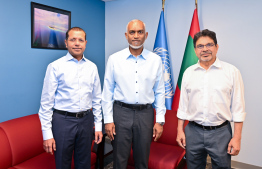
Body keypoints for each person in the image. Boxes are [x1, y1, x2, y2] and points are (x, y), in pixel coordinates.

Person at [176, 29, 246, 169]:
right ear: (195, 50)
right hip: (193, 131)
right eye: (200, 46)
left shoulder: (232, 72)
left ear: (217, 47)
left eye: (209, 45)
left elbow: (238, 109)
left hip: (220, 133)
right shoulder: (188, 73)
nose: (205, 49)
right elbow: (183, 105)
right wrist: (179, 130)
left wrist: (237, 138)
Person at [102, 19, 166, 169]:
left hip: (145, 114)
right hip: (120, 113)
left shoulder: (156, 60)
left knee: (142, 159)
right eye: (132, 32)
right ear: (126, 35)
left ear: (146, 35)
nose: (136, 36)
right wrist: (108, 120)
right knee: (119, 159)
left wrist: (160, 120)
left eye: (140, 32)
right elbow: (107, 91)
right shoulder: (114, 59)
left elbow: (160, 91)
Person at [38, 27, 103, 169]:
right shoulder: (55, 66)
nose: (77, 43)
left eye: (80, 40)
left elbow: (97, 99)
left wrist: (98, 126)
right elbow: (46, 104)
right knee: (62, 163)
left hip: (86, 120)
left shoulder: (92, 67)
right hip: (63, 121)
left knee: (84, 163)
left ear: (85, 43)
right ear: (66, 42)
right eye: (73, 40)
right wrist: (47, 134)